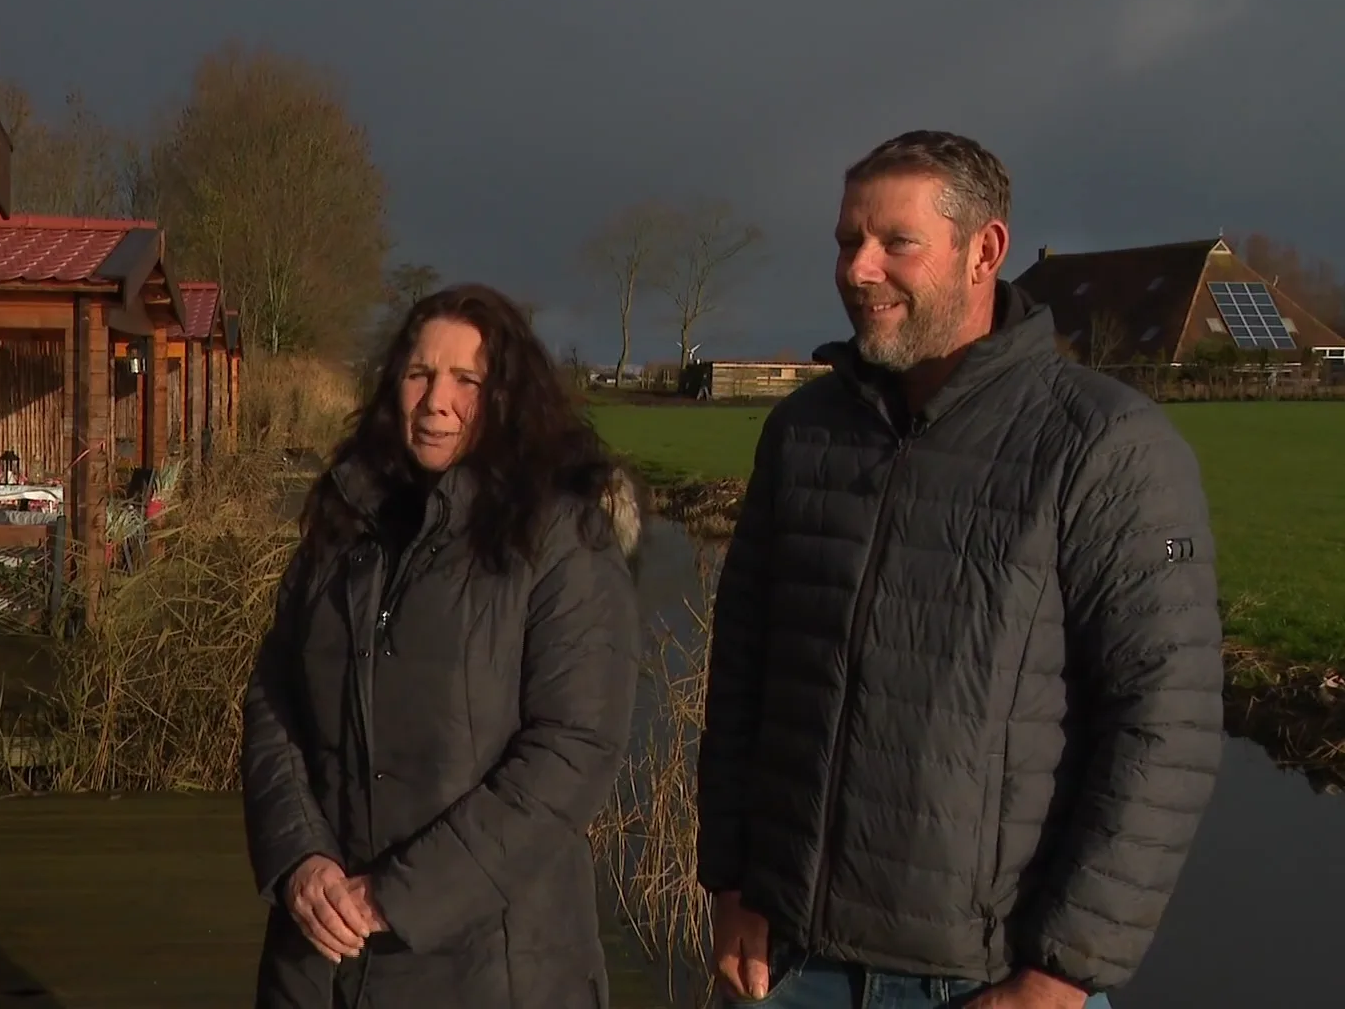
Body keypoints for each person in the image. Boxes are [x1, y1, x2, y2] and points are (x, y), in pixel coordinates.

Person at [695, 131, 1225, 1009]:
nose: (858, 270)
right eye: (844, 241)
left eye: (895, 243)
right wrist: (730, 881)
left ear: (984, 250)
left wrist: (1061, 975)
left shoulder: (1105, 445)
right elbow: (742, 670)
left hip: (980, 981)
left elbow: (1168, 721)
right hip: (782, 965)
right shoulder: (803, 433)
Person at [240, 283, 646, 1008]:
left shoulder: (561, 539)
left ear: (510, 398)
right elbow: (276, 694)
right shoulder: (346, 516)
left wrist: (395, 897)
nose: (436, 401)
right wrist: (300, 859)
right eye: (419, 374)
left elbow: (573, 748)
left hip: (492, 966)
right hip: (320, 958)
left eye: (468, 381)